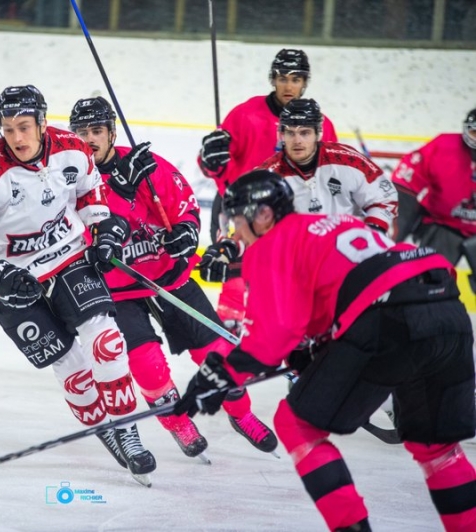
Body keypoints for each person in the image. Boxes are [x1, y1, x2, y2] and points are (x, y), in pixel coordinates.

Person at [176, 170, 476, 531]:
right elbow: (319, 311)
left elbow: (274, 334)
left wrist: (221, 374)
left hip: (388, 317)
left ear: (263, 215)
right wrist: (312, 347)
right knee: (437, 448)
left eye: (238, 221)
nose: (236, 233)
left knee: (296, 423)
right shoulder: (329, 225)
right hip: (447, 309)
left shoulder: (272, 245)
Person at [0, 85, 156, 485]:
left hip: (68, 257)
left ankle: (128, 429)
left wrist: (101, 228)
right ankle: (103, 428)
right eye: (7, 129)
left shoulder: (72, 147)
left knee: (106, 342)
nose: (17, 138)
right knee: (72, 368)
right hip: (13, 281)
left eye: (24, 127)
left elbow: (91, 192)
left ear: (42, 123)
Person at [68, 96, 278, 458]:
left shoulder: (143, 164)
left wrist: (185, 231)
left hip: (168, 276)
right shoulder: (69, 179)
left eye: (97, 130)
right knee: (148, 367)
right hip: (118, 290)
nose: (89, 139)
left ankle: (241, 414)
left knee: (218, 354)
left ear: (111, 131)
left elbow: (183, 201)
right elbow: (84, 232)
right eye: (81, 132)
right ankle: (178, 421)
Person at [199, 98, 397, 334]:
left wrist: (371, 237)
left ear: (318, 133)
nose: (297, 140)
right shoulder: (267, 176)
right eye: (290, 133)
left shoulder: (348, 160)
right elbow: (247, 224)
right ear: (280, 135)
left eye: (304, 132)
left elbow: (384, 196)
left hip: (348, 263)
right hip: (299, 273)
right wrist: (228, 247)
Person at [197, 49, 339, 244]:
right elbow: (211, 163)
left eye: (296, 79)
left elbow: (330, 177)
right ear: (273, 80)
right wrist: (209, 159)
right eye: (282, 78)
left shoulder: (322, 126)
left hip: (290, 217)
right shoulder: (245, 115)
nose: (288, 86)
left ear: (305, 83)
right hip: (238, 208)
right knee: (234, 272)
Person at [391, 108, 476, 270]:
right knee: (430, 279)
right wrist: (398, 227)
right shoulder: (444, 146)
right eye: (475, 133)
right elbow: (405, 181)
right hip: (444, 225)